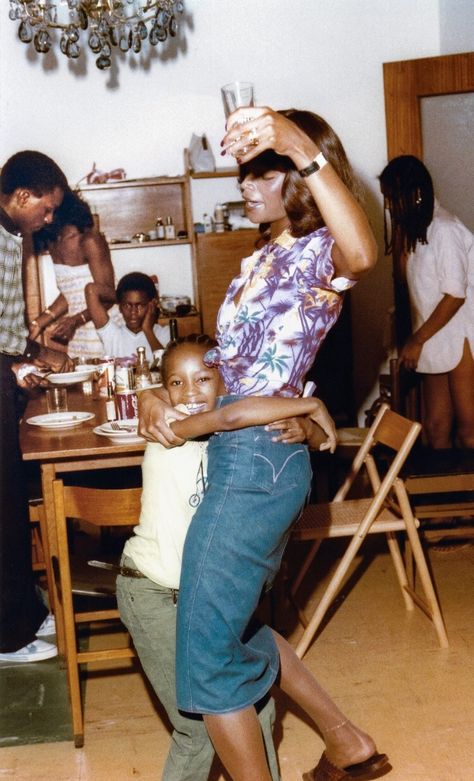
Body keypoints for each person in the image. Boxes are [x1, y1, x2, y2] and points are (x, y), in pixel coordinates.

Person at [139, 107, 387, 781]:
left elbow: (366, 252)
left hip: (255, 460)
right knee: (232, 630)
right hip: (249, 453)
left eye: (263, 171)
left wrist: (295, 139)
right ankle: (347, 740)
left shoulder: (316, 254)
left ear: (303, 178)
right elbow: (231, 362)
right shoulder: (264, 254)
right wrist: (157, 390)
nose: (245, 186)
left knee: (207, 655)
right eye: (244, 173)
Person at [117, 333, 337, 781]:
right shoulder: (168, 427)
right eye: (176, 383)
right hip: (154, 591)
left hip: (211, 594)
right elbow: (224, 413)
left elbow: (292, 433)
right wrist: (151, 395)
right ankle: (345, 738)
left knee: (258, 711)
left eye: (203, 379)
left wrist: (306, 429)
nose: (189, 392)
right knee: (198, 729)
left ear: (227, 379)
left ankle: (340, 739)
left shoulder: (242, 437)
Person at [0, 150, 74, 663]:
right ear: (22, 197)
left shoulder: (14, 235)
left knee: (10, 499)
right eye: (45, 210)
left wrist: (25, 357)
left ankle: (21, 613)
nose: (49, 220)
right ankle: (9, 637)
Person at [379, 155, 474, 449]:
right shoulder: (417, 234)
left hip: (461, 334)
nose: (387, 206)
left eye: (391, 198)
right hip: (432, 335)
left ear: (414, 194)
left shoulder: (445, 229)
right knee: (436, 429)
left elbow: (455, 295)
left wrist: (417, 340)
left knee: (469, 429)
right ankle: (441, 495)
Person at [30, 189, 116, 361]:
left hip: (104, 328)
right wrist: (39, 322)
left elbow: (109, 296)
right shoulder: (53, 243)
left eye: (49, 210)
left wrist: (75, 321)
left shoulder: (90, 240)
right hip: (79, 332)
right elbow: (71, 294)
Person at [85, 271, 169, 361]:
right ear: (120, 307)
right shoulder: (112, 335)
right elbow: (91, 290)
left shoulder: (165, 334)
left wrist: (148, 330)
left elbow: (165, 365)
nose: (133, 312)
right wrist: (121, 296)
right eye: (127, 305)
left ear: (152, 304)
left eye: (140, 305)